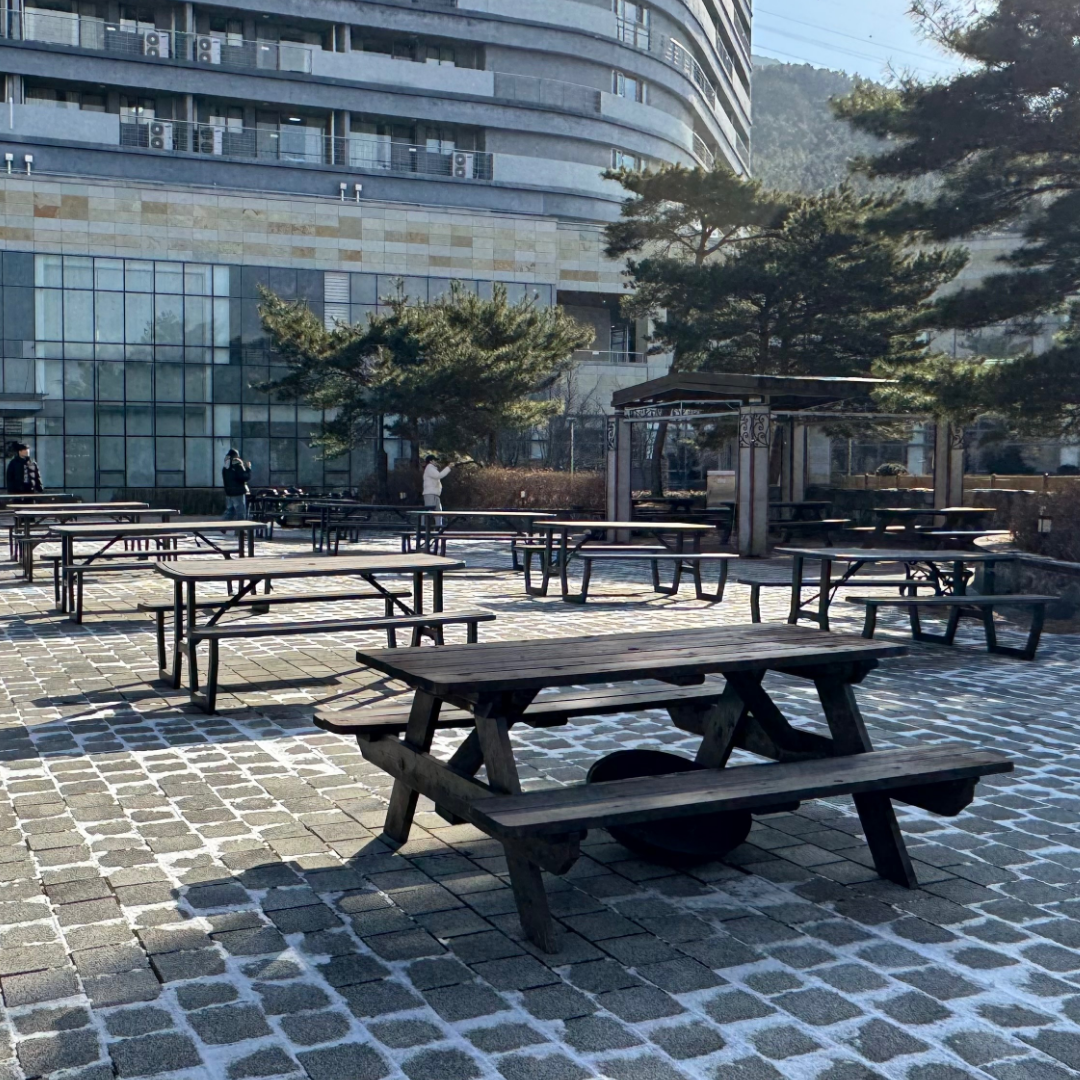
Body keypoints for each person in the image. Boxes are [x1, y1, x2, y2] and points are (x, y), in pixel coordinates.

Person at [222, 449, 252, 520]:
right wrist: (248, 469)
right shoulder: (237, 465)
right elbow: (244, 477)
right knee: (240, 512)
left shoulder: (226, 466)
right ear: (236, 455)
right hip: (238, 492)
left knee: (229, 511)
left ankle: (224, 523)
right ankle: (240, 526)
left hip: (229, 492)